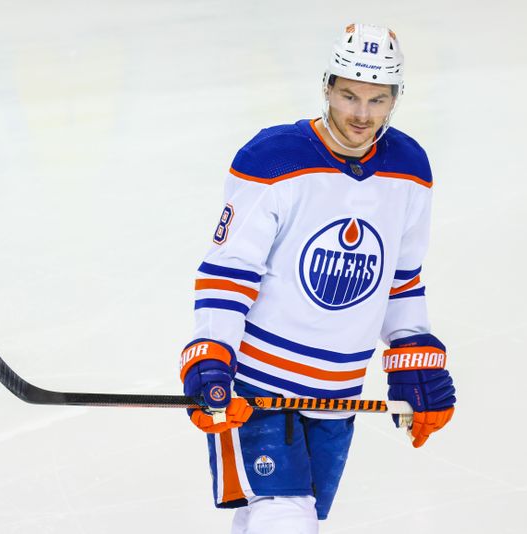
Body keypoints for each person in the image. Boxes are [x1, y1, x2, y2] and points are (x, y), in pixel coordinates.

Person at [179, 23, 456, 534]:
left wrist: (412, 354)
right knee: (285, 517)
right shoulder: (273, 159)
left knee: (274, 517)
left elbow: (402, 279)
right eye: (349, 94)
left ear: (395, 98)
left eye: (377, 99)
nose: (360, 114)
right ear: (326, 85)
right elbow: (228, 272)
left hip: (338, 395)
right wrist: (211, 353)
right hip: (254, 390)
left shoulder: (410, 170)